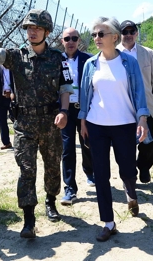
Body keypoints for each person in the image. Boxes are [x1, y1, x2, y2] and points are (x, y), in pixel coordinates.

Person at [0, 9, 72, 239]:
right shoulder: (17, 56)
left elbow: (65, 88)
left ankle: (50, 201)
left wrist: (64, 112)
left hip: (50, 124)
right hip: (25, 124)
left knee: (52, 166)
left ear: (46, 32)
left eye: (37, 28)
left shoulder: (58, 59)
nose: (32, 31)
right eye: (29, 27)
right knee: (26, 170)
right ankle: (29, 219)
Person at [79, 17, 149, 242]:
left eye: (101, 34)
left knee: (128, 168)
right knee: (100, 174)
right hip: (96, 125)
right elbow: (84, 95)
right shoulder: (91, 64)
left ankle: (131, 192)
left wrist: (143, 118)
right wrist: (82, 121)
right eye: (94, 34)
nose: (96, 38)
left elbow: (139, 92)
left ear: (114, 37)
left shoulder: (129, 62)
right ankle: (108, 222)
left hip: (125, 124)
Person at [117, 20, 153, 183]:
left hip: (146, 104)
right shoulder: (113, 53)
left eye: (132, 31)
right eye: (125, 32)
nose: (129, 35)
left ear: (137, 33)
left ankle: (144, 167)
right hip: (122, 106)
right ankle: (129, 174)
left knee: (149, 142)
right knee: (126, 145)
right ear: (119, 34)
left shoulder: (148, 53)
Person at [59, 27, 94, 206]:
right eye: (67, 38)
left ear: (79, 40)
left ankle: (90, 171)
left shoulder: (88, 59)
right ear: (61, 41)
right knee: (67, 148)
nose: (71, 41)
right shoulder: (56, 60)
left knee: (87, 143)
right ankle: (70, 188)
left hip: (83, 109)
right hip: (65, 110)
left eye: (74, 38)